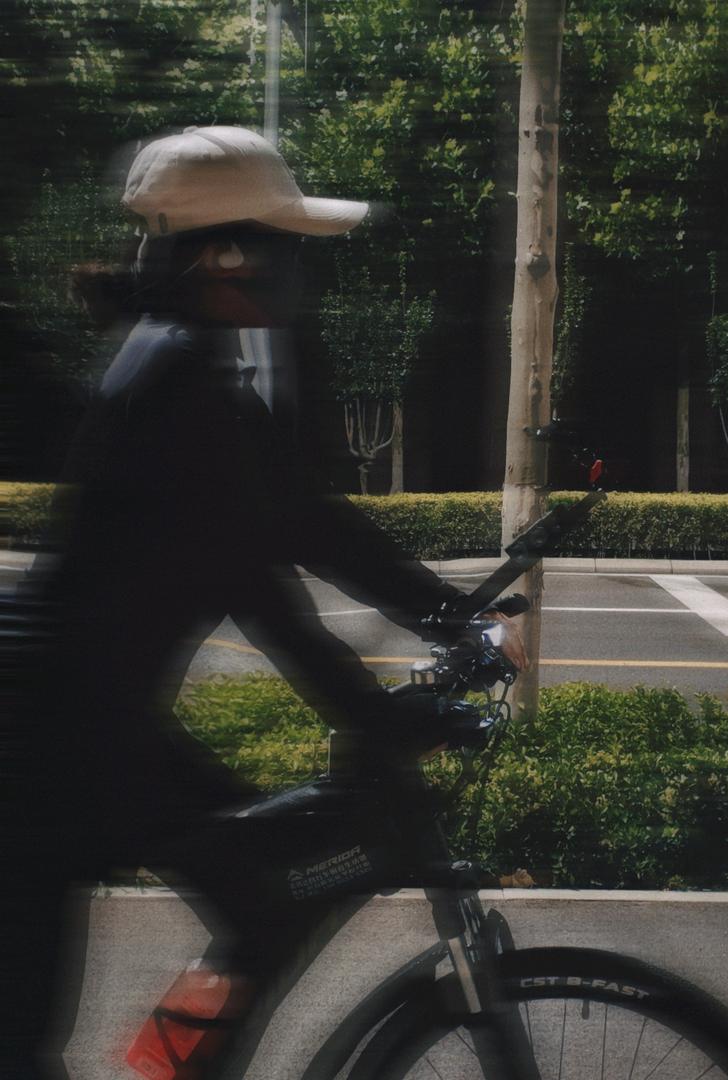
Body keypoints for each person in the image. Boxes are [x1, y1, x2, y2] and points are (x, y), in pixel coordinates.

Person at [3, 125, 524, 1080]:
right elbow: (264, 590)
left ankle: (168, 1068)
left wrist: (453, 617)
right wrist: (375, 712)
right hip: (38, 748)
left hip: (89, 723)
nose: (298, 272)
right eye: (284, 246)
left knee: (264, 890)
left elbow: (304, 518)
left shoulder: (187, 368)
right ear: (225, 255)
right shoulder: (175, 389)